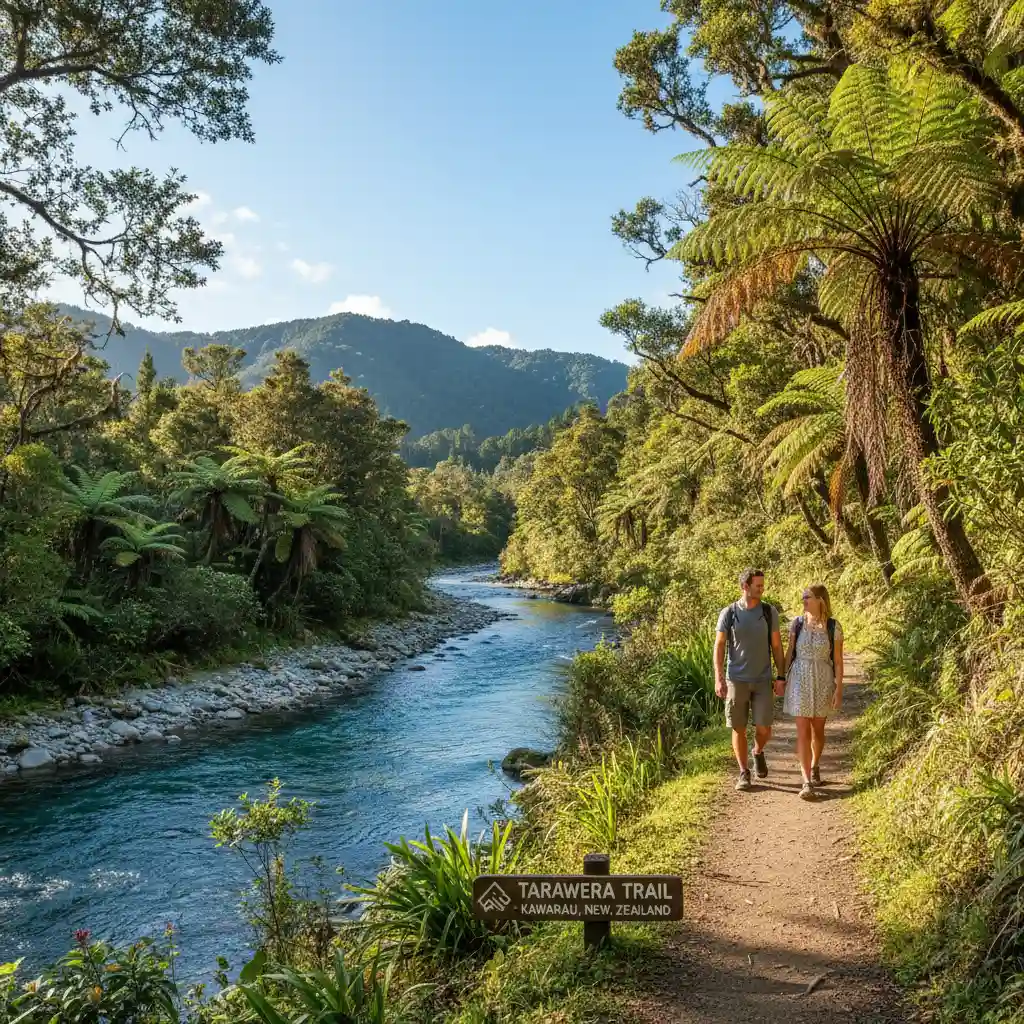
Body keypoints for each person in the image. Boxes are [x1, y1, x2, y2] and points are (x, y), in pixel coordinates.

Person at [714, 568, 787, 791]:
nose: (762, 589)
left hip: (763, 678)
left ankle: (757, 751)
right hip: (736, 679)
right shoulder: (729, 613)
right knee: (739, 728)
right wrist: (719, 678)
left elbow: (776, 645)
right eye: (758, 586)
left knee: (764, 729)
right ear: (745, 586)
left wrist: (781, 676)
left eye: (762, 585)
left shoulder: (768, 612)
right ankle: (744, 772)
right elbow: (718, 646)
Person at [783, 582, 844, 801]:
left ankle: (815, 764)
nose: (803, 601)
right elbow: (790, 652)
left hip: (823, 678)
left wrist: (839, 687)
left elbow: (837, 659)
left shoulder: (833, 627)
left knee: (818, 730)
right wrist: (781, 677)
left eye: (807, 597)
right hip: (799, 678)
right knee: (802, 731)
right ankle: (807, 781)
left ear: (820, 600)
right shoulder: (797, 624)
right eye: (803, 597)